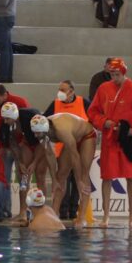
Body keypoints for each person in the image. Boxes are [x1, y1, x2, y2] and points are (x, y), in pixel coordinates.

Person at [88, 58, 132, 227]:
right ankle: (106, 216)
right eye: (111, 74)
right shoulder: (103, 88)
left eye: (117, 74)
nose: (114, 78)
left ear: (124, 73)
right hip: (109, 139)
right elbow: (92, 112)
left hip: (127, 138)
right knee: (107, 177)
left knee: (131, 177)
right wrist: (103, 122)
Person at [30, 113, 96, 226]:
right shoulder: (41, 133)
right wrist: (54, 180)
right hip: (72, 139)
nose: (36, 136)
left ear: (46, 129)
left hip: (86, 136)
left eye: (38, 133)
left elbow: (74, 155)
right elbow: (50, 156)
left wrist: (79, 180)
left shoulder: (61, 130)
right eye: (34, 133)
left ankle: (82, 217)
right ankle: (54, 215)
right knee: (60, 176)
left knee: (84, 174)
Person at [43, 80, 91, 220]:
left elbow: (93, 120)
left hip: (80, 145)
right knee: (62, 178)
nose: (60, 93)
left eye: (63, 90)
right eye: (59, 89)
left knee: (79, 179)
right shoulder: (55, 104)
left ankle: (76, 212)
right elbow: (46, 122)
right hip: (61, 148)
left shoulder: (84, 102)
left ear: (72, 91)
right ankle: (60, 212)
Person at [0, 84, 29, 218]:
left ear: (5, 95)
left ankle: (24, 210)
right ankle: (5, 210)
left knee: (22, 178)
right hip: (4, 147)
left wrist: (24, 145)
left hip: (21, 146)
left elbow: (28, 126)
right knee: (4, 179)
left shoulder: (20, 102)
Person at [0, 102, 46, 220]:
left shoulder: (31, 116)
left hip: (41, 144)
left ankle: (41, 212)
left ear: (14, 116)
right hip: (27, 143)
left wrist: (35, 162)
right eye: (4, 118)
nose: (5, 121)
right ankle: (23, 211)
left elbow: (43, 141)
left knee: (40, 175)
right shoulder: (6, 124)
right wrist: (19, 162)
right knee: (23, 176)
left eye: (7, 119)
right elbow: (13, 144)